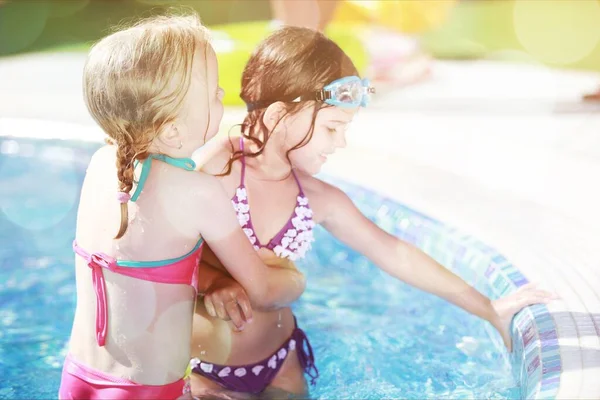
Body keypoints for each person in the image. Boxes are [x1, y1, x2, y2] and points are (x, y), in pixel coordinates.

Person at [189, 26, 557, 398]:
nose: (341, 142)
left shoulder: (316, 197)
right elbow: (159, 252)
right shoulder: (220, 170)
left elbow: (393, 251)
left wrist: (488, 307)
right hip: (208, 369)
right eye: (333, 127)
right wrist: (213, 282)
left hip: (282, 363)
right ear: (279, 115)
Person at [58, 13, 305, 400]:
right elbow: (262, 291)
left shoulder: (101, 166)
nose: (224, 96)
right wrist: (291, 275)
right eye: (213, 93)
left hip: (79, 378)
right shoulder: (198, 192)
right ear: (172, 129)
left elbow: (140, 264)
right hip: (152, 390)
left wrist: (215, 281)